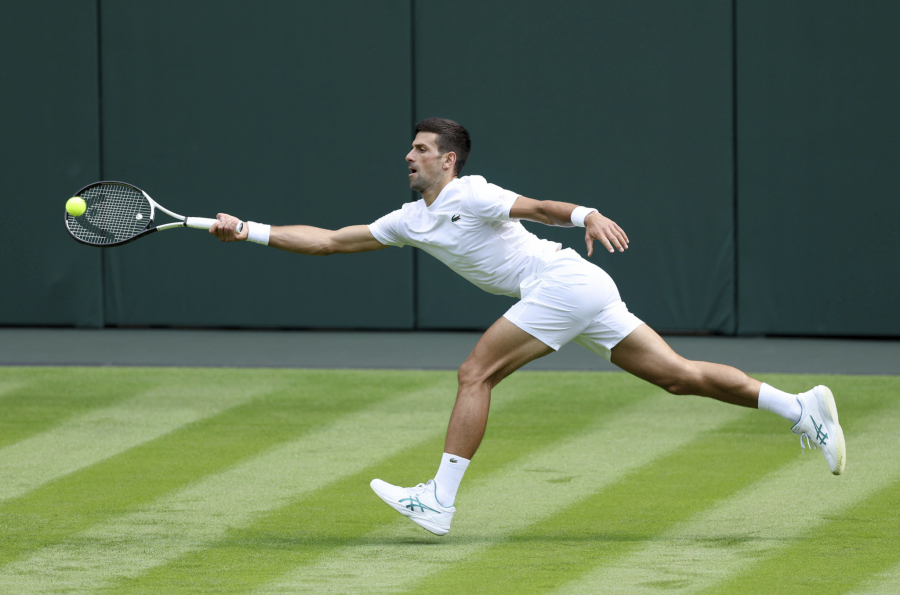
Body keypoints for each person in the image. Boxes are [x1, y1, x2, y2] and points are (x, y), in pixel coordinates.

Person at [209, 117, 846, 536]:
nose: (409, 155)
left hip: (562, 283)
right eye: (411, 147)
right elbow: (328, 240)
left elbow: (539, 207)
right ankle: (801, 409)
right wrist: (248, 230)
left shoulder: (472, 193)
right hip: (579, 290)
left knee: (475, 373)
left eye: (421, 149)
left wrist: (586, 213)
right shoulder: (409, 219)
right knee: (677, 377)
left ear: (448, 161)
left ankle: (439, 499)